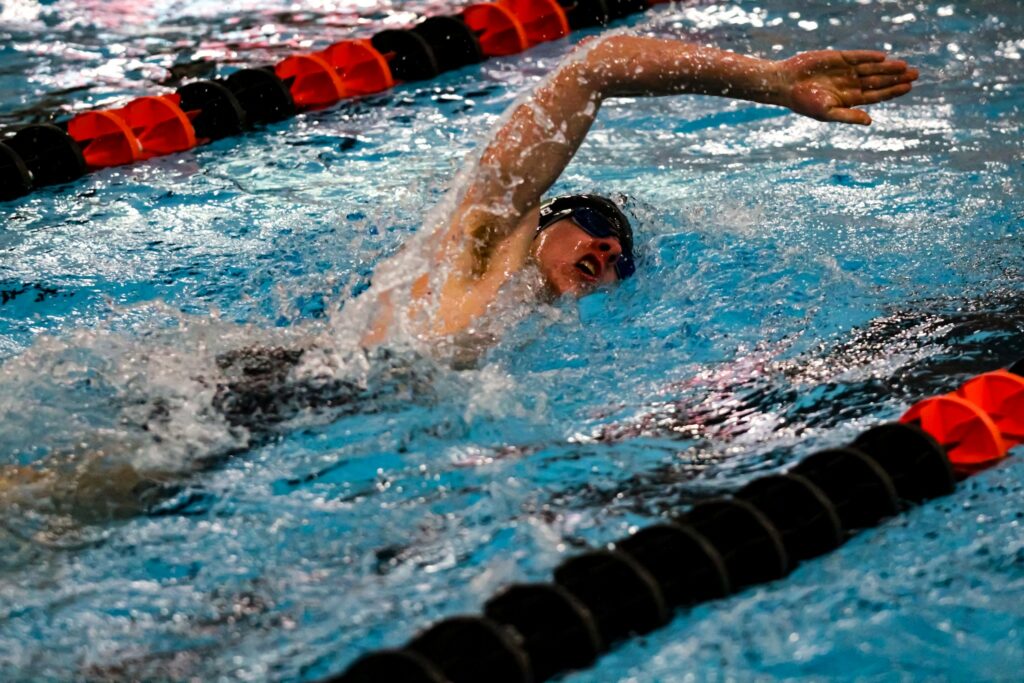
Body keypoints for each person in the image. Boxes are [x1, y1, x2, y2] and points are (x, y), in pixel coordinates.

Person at [0, 33, 918, 520]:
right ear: (544, 216)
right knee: (68, 502)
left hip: (300, 393)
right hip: (281, 390)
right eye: (594, 226)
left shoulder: (531, 322)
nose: (605, 251)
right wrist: (766, 82)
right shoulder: (484, 239)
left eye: (620, 254)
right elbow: (594, 67)